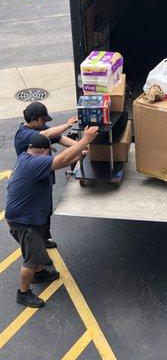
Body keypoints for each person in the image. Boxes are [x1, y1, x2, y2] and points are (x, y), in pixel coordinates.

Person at [5, 127, 99, 308]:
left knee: (37, 247)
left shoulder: (26, 158)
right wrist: (85, 140)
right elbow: (61, 159)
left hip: (26, 217)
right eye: (48, 153)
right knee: (30, 258)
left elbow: (59, 163)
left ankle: (40, 274)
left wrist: (80, 154)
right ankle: (23, 293)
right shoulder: (34, 164)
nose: (49, 157)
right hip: (25, 222)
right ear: (42, 152)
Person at [14, 102, 79, 250]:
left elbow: (60, 138)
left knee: (45, 211)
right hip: (32, 182)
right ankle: (38, 251)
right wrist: (67, 125)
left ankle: (44, 238)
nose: (45, 123)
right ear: (34, 119)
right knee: (36, 214)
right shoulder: (23, 134)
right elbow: (46, 135)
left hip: (45, 177)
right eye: (43, 120)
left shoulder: (40, 127)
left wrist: (81, 144)